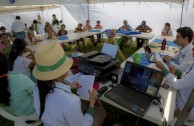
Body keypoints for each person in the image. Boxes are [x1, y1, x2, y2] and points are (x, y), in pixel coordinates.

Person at [32, 41, 97, 126]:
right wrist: (92, 105)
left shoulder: (37, 87)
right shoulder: (71, 101)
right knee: (99, 114)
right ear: (62, 72)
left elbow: (55, 98)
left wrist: (69, 86)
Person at [155, 46, 194, 121]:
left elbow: (177, 85)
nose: (192, 49)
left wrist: (163, 69)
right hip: (182, 97)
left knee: (158, 109)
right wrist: (178, 73)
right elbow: (188, 77)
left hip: (184, 107)